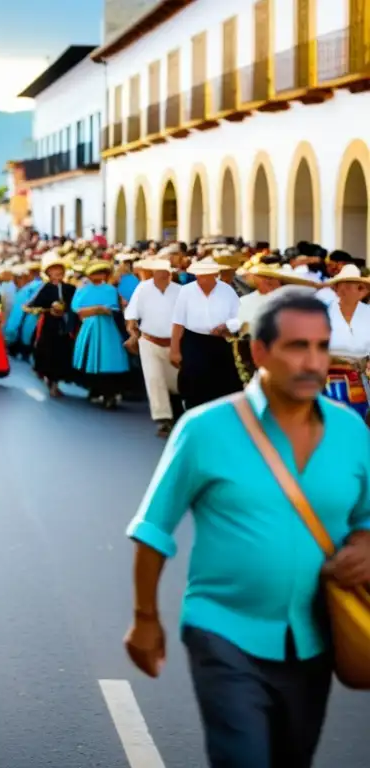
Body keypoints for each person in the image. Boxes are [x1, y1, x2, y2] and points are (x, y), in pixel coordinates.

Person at [124, 288, 370, 768]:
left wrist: (365, 545)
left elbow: (366, 519)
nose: (314, 361)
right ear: (259, 352)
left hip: (316, 636)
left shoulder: (351, 432)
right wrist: (145, 618)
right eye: (298, 347)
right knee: (243, 757)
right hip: (223, 630)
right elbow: (154, 529)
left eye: (322, 346)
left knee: (292, 757)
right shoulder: (204, 429)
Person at [170, 257, 241, 409]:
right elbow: (178, 322)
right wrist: (174, 350)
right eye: (198, 274)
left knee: (221, 384)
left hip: (219, 342)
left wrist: (227, 326)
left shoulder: (227, 291)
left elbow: (239, 317)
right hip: (193, 341)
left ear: (214, 275)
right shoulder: (186, 291)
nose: (200, 278)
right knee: (193, 381)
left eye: (205, 275)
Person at [124, 258, 182, 436]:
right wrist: (133, 332)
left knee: (176, 382)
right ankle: (163, 419)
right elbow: (131, 314)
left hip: (173, 342)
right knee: (154, 379)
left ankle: (178, 412)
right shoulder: (142, 288)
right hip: (149, 341)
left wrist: (177, 347)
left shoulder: (180, 291)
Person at [71, 261, 130, 409]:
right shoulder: (83, 289)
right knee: (90, 359)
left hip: (108, 328)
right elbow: (78, 309)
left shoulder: (111, 290)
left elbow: (113, 309)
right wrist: (97, 309)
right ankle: (95, 389)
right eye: (96, 273)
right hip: (90, 328)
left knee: (109, 360)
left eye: (102, 273)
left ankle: (109, 394)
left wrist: (98, 310)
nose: (99, 276)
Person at [321, 264, 370, 418]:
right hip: (329, 381)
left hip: (363, 381)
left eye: (352, 286)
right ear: (336, 289)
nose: (346, 290)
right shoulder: (324, 313)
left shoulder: (367, 313)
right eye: (343, 285)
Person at [28, 252, 77, 398]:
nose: (57, 273)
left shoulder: (70, 288)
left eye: (60, 271)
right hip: (49, 326)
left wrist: (66, 311)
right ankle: (51, 380)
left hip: (64, 327)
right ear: (48, 273)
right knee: (48, 352)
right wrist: (50, 309)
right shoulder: (45, 288)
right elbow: (32, 306)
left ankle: (56, 382)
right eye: (54, 271)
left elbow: (75, 305)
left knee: (62, 354)